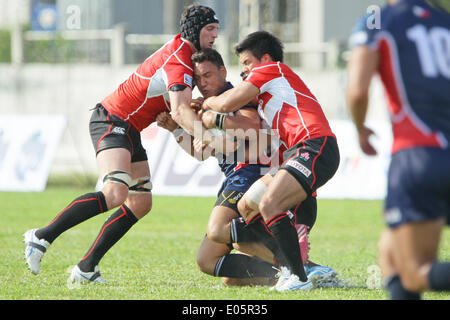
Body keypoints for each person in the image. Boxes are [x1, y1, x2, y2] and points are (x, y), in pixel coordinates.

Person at [23, 4, 220, 283]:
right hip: (111, 120)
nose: (214, 35)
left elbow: (177, 114)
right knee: (115, 192)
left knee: (139, 202)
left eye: (216, 29)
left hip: (129, 128)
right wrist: (208, 137)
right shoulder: (181, 55)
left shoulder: (187, 57)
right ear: (194, 30)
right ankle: (41, 236)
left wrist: (192, 129)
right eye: (209, 29)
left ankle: (86, 268)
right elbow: (179, 112)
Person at [157, 48, 338, 288]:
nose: (203, 83)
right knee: (210, 262)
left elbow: (252, 128)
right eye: (198, 79)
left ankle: (299, 268)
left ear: (223, 71)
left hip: (250, 174)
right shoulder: (210, 106)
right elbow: (202, 153)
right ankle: (301, 270)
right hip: (236, 176)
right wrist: (176, 130)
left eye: (208, 75)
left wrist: (210, 126)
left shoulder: (237, 96)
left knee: (219, 229)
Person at [201, 31, 340, 291]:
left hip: (314, 146)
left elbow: (227, 101)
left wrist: (209, 106)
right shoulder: (270, 92)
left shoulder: (271, 69)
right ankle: (297, 265)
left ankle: (298, 277)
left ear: (264, 58)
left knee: (268, 204)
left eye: (246, 63)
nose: (243, 72)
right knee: (248, 205)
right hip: (295, 157)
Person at [346, 0, 450, 299]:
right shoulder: (443, 20)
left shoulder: (379, 17)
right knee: (390, 255)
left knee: (414, 272)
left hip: (419, 156)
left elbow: (357, 91)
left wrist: (360, 128)